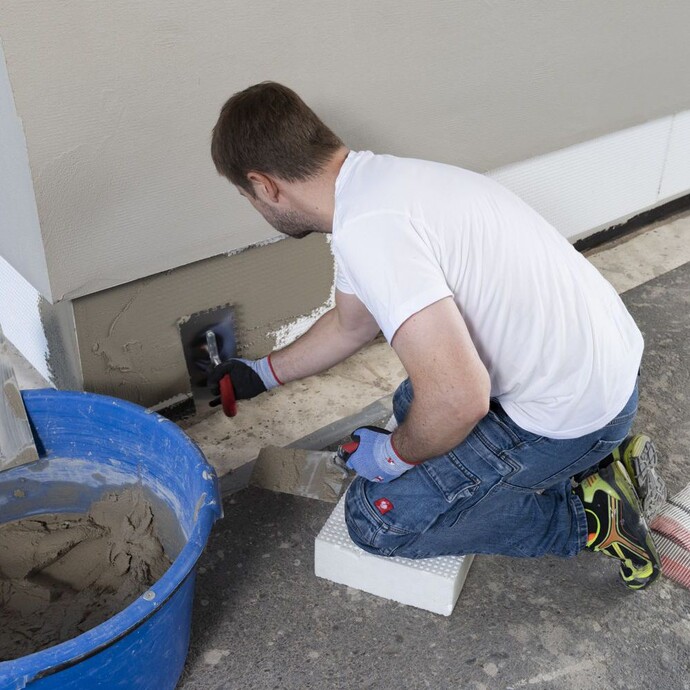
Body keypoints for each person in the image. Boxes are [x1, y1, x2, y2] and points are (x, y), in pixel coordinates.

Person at [207, 81, 664, 589]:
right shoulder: (382, 186)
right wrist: (260, 374)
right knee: (409, 406)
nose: (258, 207)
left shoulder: (370, 231)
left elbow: (458, 398)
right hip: (600, 369)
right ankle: (590, 465)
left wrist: (392, 455)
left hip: (572, 415)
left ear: (265, 185)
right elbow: (350, 324)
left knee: (375, 517)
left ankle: (591, 519)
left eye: (249, 197)